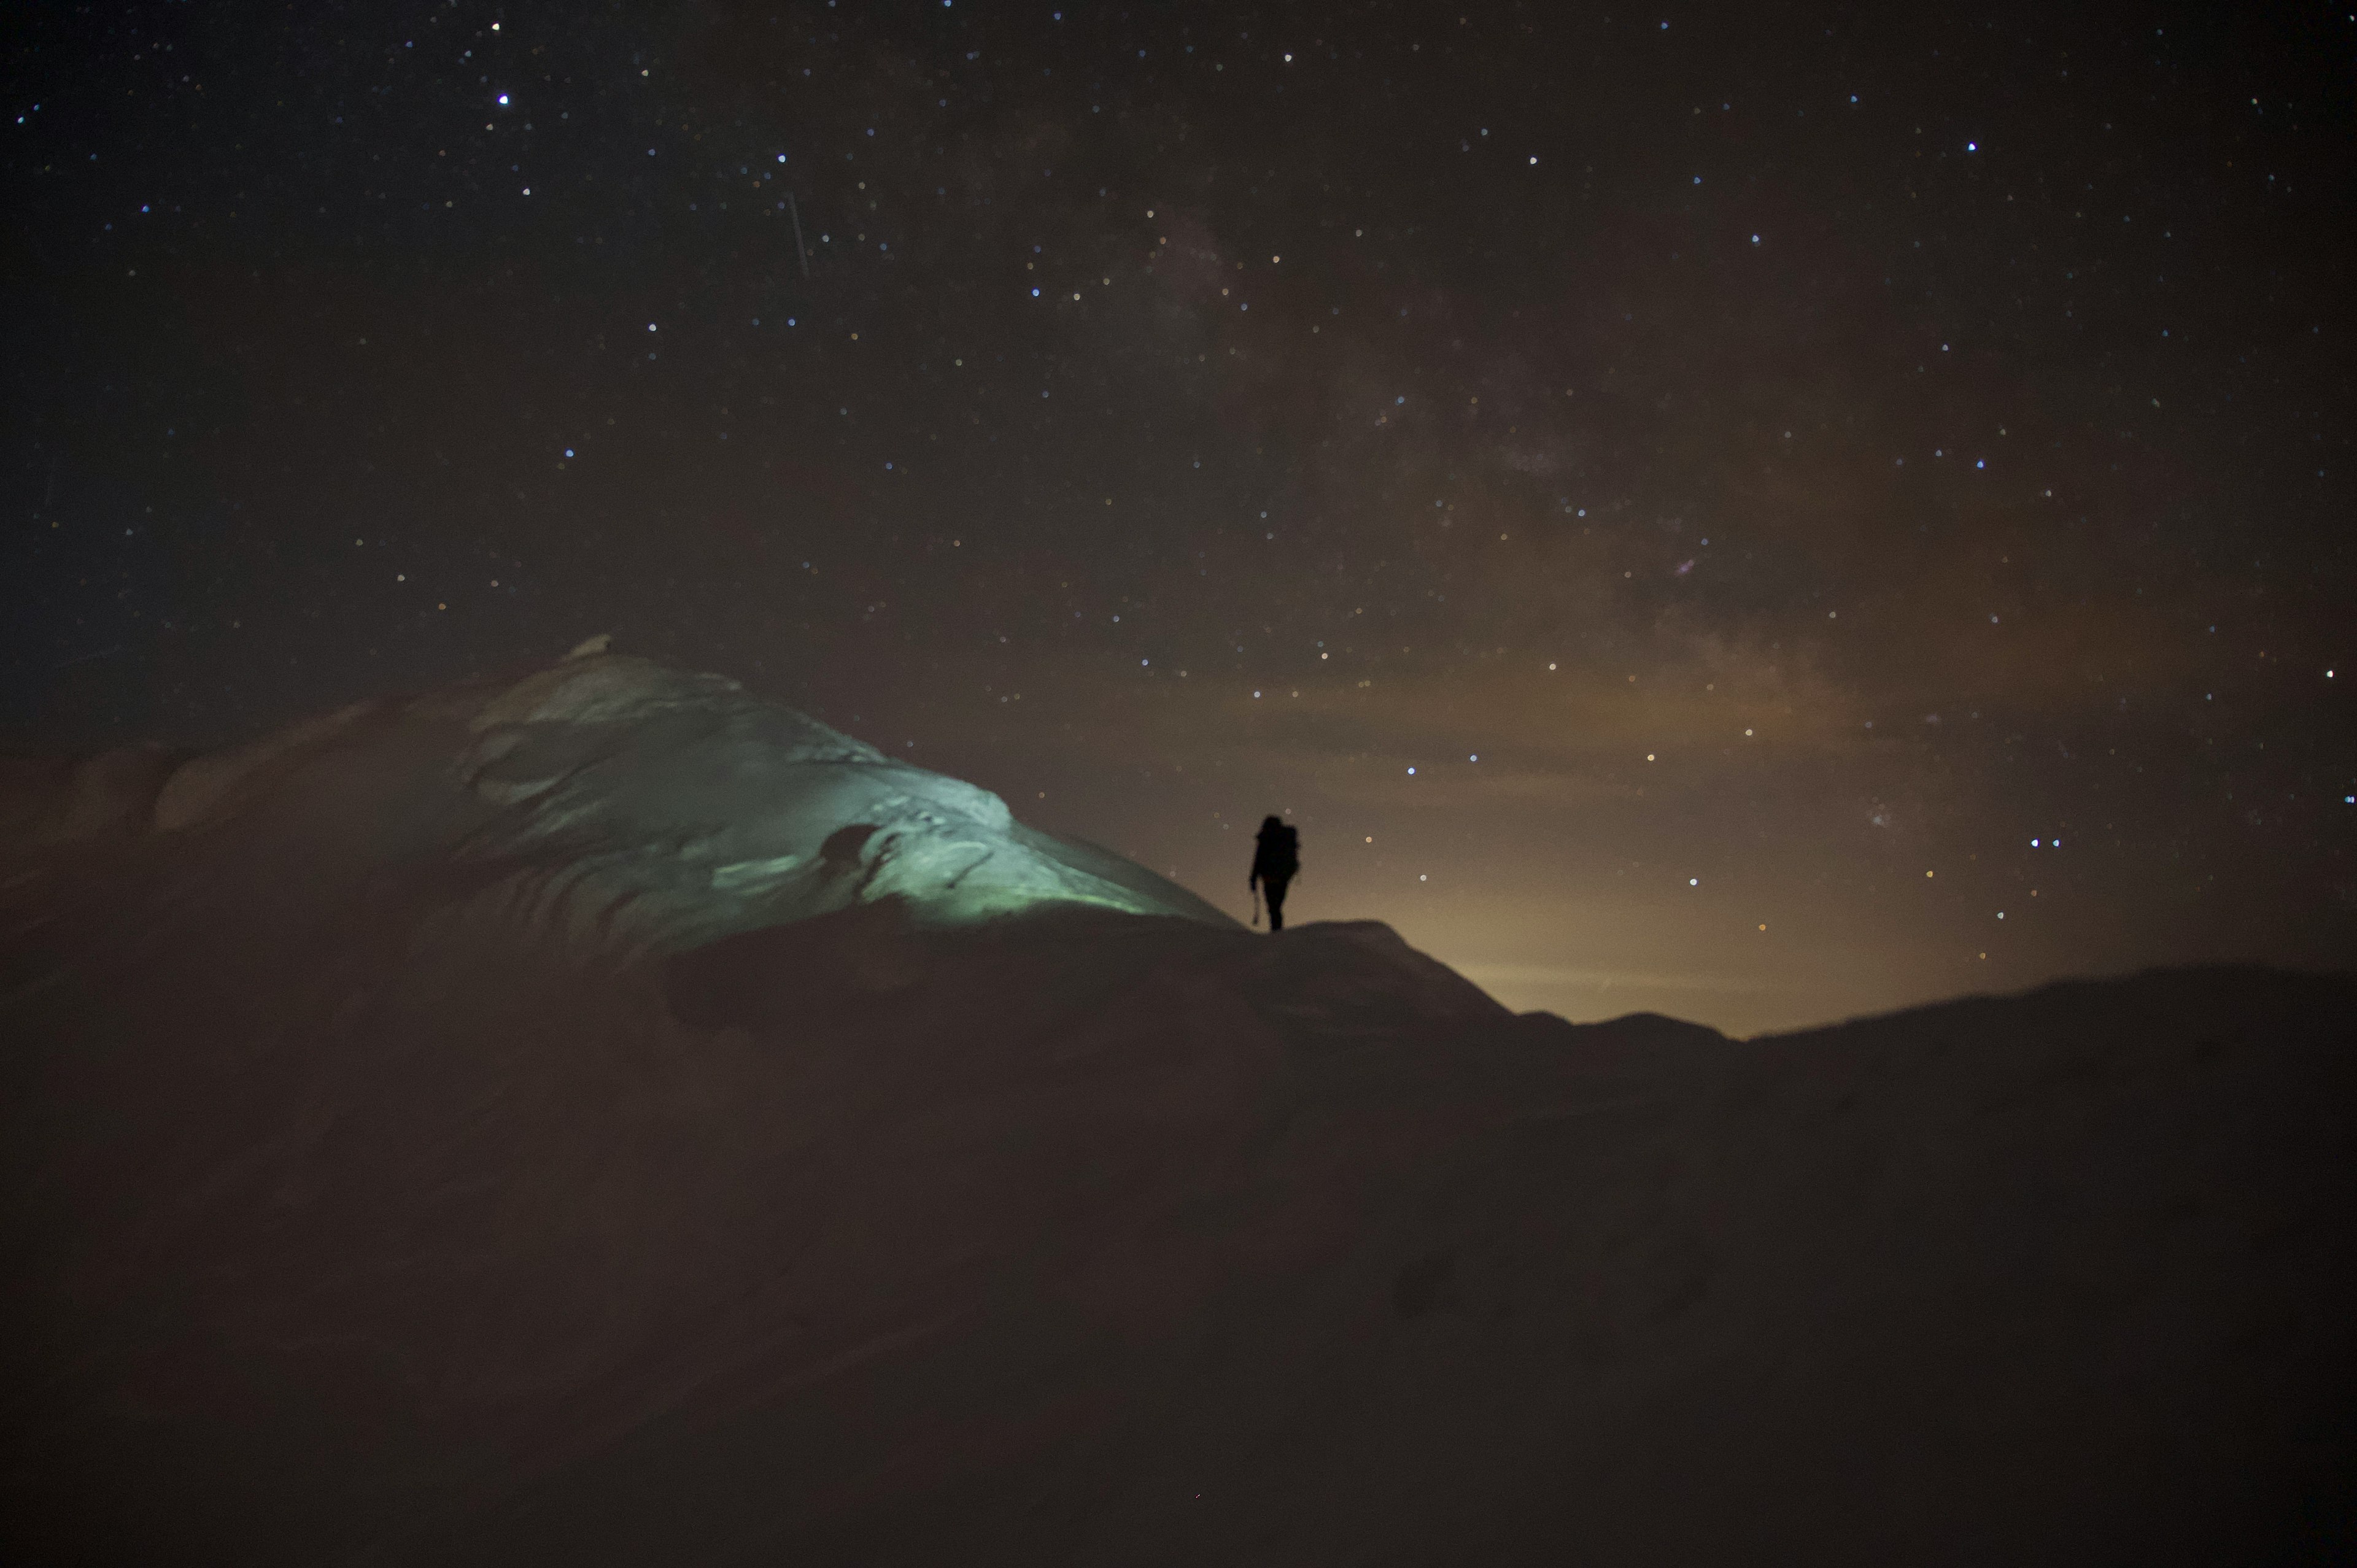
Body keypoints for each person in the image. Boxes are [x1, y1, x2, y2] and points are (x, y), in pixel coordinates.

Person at [1249, 815, 1300, 930]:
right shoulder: (1285, 839)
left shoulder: (1266, 839)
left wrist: (1253, 879)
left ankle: (1276, 932)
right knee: (1276, 907)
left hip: (1269, 878)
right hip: (1283, 878)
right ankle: (1277, 931)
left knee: (1273, 907)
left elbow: (1258, 860)